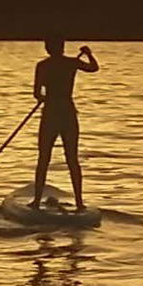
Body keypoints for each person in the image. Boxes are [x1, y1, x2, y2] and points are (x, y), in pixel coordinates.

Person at [31, 37, 98, 211]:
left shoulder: (43, 66)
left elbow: (37, 93)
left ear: (47, 48)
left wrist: (44, 98)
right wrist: (89, 54)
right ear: (62, 47)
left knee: (43, 158)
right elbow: (93, 67)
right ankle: (79, 202)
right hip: (68, 113)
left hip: (51, 114)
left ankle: (37, 202)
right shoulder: (71, 63)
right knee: (72, 159)